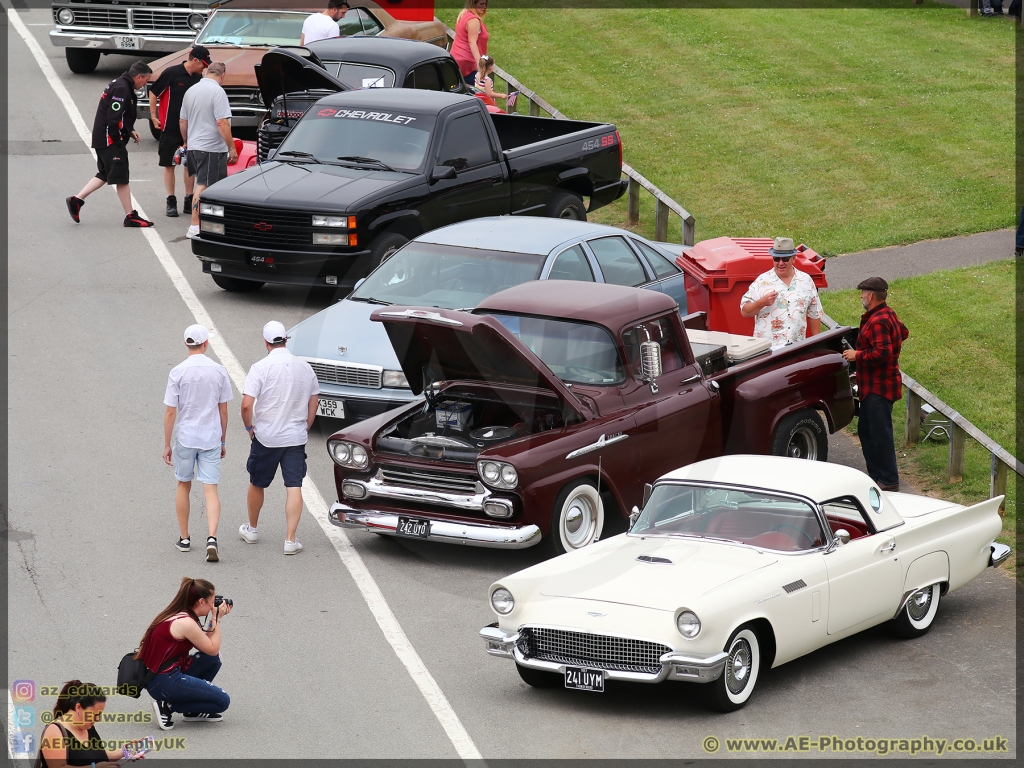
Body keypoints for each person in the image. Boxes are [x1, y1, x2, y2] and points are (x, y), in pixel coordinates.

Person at [239, 321, 319, 555]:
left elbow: (246, 405)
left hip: (266, 437)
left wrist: (249, 428)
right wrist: (306, 426)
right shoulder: (305, 367)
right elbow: (314, 400)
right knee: (294, 486)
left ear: (266, 342)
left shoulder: (260, 367)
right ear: (286, 339)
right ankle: (290, 540)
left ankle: (252, 529)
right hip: (295, 437)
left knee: (257, 482)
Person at [163, 324, 233, 561]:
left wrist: (166, 444)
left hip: (186, 437)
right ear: (206, 344)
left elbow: (171, 412)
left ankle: (184, 539)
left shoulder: (177, 372)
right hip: (211, 437)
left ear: (186, 344)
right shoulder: (219, 371)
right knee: (210, 488)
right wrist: (222, 439)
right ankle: (211, 538)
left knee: (183, 484)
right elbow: (223, 409)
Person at [841, 277, 910, 492]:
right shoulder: (887, 314)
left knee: (879, 435)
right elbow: (903, 332)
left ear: (870, 296)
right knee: (868, 431)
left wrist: (857, 355)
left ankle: (888, 480)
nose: (861, 296)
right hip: (878, 385)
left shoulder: (878, 320)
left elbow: (883, 351)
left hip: (878, 387)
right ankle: (877, 477)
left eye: (862, 293)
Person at [66, 61, 154, 228]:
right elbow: (113, 117)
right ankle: (130, 216)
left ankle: (76, 200)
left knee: (106, 173)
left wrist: (130, 130)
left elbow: (119, 114)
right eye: (146, 80)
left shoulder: (121, 84)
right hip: (110, 140)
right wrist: (118, 140)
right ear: (138, 76)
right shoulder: (122, 88)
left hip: (104, 138)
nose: (145, 84)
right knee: (121, 177)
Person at [139, 577, 232, 730]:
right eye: (212, 602)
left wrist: (213, 618)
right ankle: (167, 706)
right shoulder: (186, 623)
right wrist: (217, 618)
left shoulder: (181, 614)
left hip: (161, 675)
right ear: (201, 601)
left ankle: (192, 710)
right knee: (222, 701)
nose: (212, 606)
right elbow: (213, 647)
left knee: (212, 659)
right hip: (164, 681)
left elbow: (207, 647)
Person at [149, 46, 211, 217]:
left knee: (189, 164)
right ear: (195, 60)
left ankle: (188, 198)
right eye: (203, 64)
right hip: (170, 127)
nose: (205, 68)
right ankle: (170, 200)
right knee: (169, 164)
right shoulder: (172, 73)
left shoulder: (199, 78)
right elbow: (153, 93)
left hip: (192, 129)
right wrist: (154, 116)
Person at [179, 62, 237, 239]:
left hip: (195, 146)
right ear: (223, 75)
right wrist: (232, 147)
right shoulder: (218, 92)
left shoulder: (191, 91)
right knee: (204, 185)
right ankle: (195, 225)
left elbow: (183, 121)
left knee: (206, 184)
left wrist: (187, 142)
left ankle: (208, 222)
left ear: (207, 72)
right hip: (211, 147)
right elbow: (222, 122)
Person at [739, 236, 822, 349]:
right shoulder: (762, 281)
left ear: (794, 258)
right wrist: (762, 302)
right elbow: (745, 312)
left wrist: (817, 345)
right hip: (768, 350)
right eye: (776, 259)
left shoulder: (806, 280)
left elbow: (814, 314)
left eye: (785, 259)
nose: (780, 263)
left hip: (796, 348)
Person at [37, 681, 126, 767]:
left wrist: (123, 751)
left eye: (99, 714)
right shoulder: (55, 731)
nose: (97, 719)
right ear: (78, 707)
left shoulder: (88, 726)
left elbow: (98, 756)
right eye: (94, 714)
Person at [451, 0, 490, 85]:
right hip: (468, 64)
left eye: (485, 4)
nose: (484, 7)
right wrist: (480, 64)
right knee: (481, 90)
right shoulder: (473, 20)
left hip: (456, 59)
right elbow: (472, 42)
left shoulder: (463, 14)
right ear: (473, 4)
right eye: (481, 4)